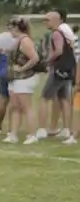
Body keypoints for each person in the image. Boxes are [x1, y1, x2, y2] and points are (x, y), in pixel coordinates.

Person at [38, 10, 77, 144]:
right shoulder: (65, 32)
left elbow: (58, 51)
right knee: (64, 99)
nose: (45, 22)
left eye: (47, 20)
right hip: (68, 69)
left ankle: (42, 129)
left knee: (44, 98)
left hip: (58, 69)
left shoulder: (56, 33)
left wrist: (48, 60)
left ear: (56, 20)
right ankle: (66, 129)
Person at [4, 17, 42, 144]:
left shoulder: (25, 41)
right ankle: (13, 134)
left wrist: (22, 69)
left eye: (12, 27)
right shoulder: (18, 40)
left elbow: (34, 58)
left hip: (24, 78)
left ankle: (32, 135)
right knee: (15, 106)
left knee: (27, 107)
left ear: (17, 28)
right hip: (16, 78)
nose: (10, 30)